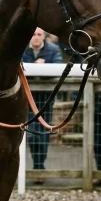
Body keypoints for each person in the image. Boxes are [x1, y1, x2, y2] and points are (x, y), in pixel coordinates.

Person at [22, 28, 63, 183]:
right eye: (33, 34)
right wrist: (35, 66)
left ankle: (39, 167)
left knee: (44, 133)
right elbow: (17, 67)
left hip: (46, 99)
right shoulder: (23, 49)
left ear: (44, 36)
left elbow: (58, 67)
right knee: (32, 133)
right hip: (27, 98)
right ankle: (36, 167)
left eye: (39, 34)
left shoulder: (53, 49)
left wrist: (43, 68)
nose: (36, 37)